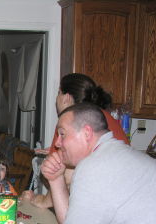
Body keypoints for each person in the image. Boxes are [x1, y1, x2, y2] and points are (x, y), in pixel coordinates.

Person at [41, 102, 156, 224]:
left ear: (86, 133)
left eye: (62, 134)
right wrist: (55, 180)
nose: (57, 143)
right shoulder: (114, 154)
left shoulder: (93, 167)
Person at [21, 73, 129, 208]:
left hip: (104, 205)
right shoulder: (102, 117)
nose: (56, 99)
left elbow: (66, 175)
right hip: (123, 198)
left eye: (58, 93)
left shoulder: (69, 122)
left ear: (66, 98)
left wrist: (41, 201)